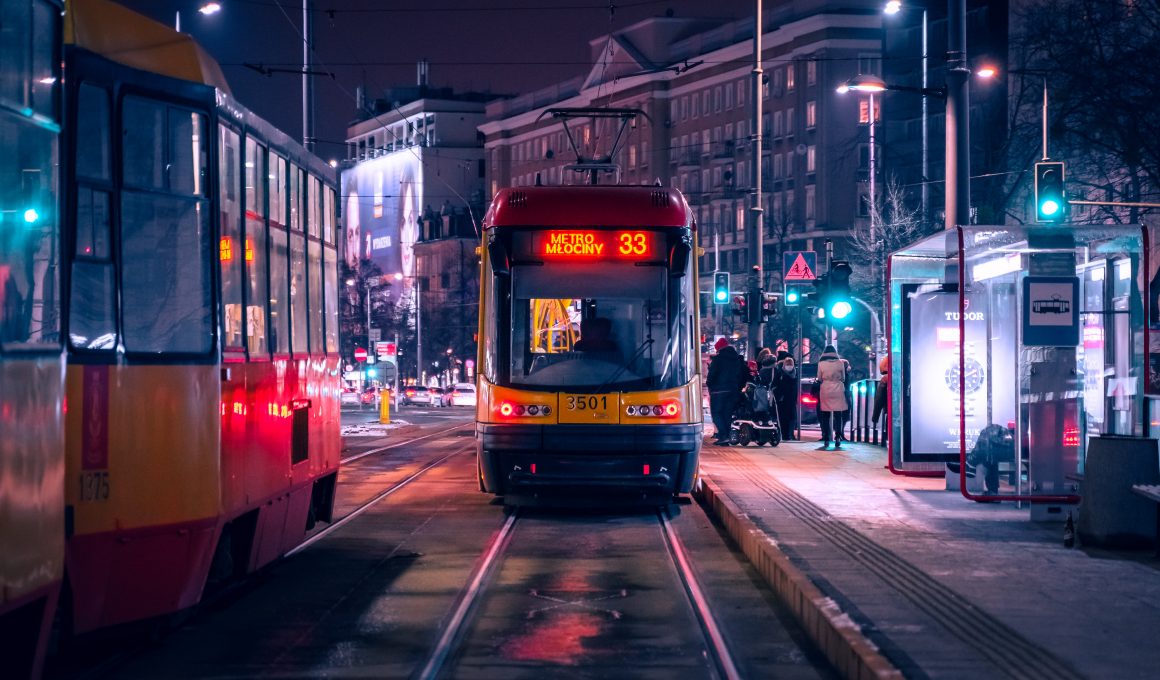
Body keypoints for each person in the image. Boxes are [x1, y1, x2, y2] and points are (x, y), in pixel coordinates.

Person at [706, 337, 747, 445]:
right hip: (733, 390)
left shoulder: (717, 359)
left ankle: (723, 435)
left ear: (719, 349)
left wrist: (709, 384)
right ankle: (726, 437)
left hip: (718, 391)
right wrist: (738, 387)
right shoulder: (737, 359)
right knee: (727, 414)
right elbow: (742, 375)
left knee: (716, 414)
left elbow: (712, 375)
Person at [816, 344, 849, 450]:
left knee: (825, 415)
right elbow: (843, 378)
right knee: (838, 414)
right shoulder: (840, 363)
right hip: (838, 389)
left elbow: (819, 378)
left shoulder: (821, 364)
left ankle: (826, 437)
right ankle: (838, 436)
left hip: (826, 389)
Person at [770, 350, 798, 440]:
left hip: (791, 399)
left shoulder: (795, 373)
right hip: (782, 400)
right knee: (783, 418)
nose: (789, 366)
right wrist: (778, 396)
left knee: (792, 417)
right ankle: (785, 434)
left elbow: (795, 387)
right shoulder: (779, 373)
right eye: (787, 364)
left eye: (790, 364)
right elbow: (774, 386)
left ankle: (790, 434)